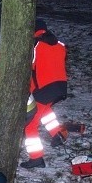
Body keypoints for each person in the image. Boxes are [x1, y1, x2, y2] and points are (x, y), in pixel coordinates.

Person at [22, 18, 68, 169]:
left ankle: (36, 158)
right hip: (60, 86)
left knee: (29, 125)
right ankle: (58, 133)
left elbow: (29, 66)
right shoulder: (59, 44)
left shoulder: (35, 45)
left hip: (44, 88)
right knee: (46, 111)